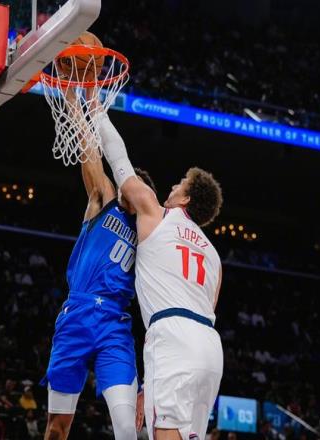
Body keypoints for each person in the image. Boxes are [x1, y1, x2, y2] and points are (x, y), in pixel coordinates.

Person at [97, 109, 224, 440]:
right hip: (210, 347)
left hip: (172, 335)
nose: (173, 185)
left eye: (180, 183)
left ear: (186, 198)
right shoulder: (214, 256)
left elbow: (120, 162)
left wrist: (97, 112)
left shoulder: (157, 213)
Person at [41, 88, 157, 440]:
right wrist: (73, 103)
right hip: (77, 314)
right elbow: (89, 150)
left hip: (114, 325)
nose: (127, 187)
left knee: (126, 427)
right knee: (57, 426)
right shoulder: (105, 198)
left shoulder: (149, 232)